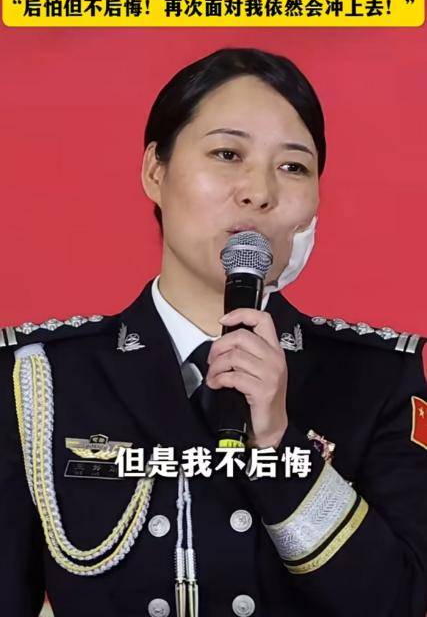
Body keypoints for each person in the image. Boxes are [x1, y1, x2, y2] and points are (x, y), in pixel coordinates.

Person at [0, 47, 426, 617]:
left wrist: (278, 444)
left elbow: (401, 601)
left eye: (293, 167)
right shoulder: (39, 379)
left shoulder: (378, 377)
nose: (259, 192)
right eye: (228, 154)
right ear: (155, 172)